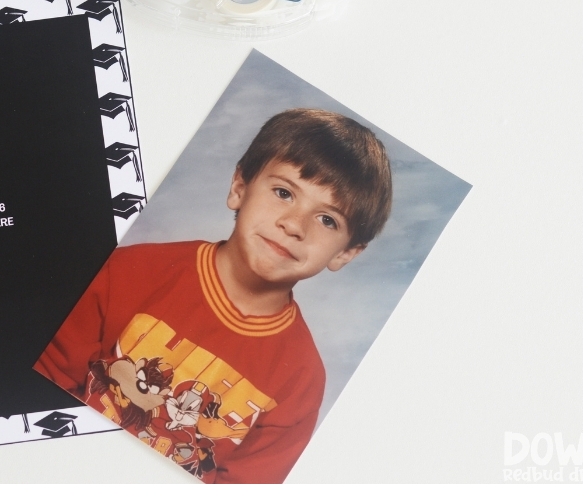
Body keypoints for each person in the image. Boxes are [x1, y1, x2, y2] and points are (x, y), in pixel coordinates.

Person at [34, 109, 393, 484]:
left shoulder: (301, 379)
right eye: (284, 193)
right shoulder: (128, 271)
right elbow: (43, 385)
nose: (293, 225)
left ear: (345, 253)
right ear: (239, 187)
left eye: (327, 220)